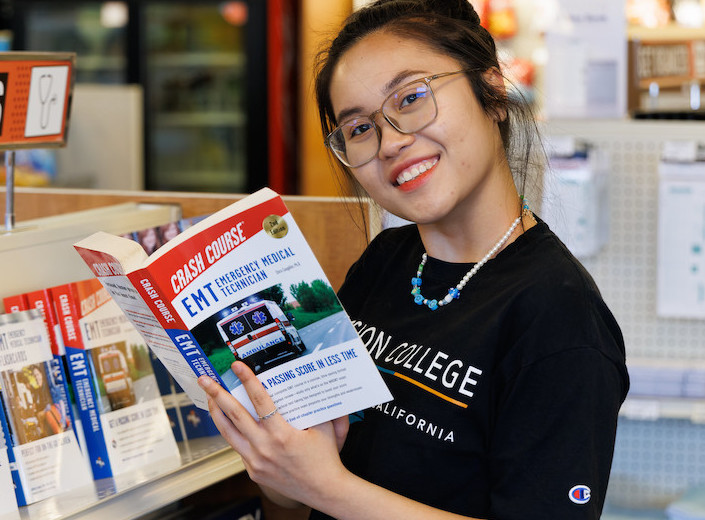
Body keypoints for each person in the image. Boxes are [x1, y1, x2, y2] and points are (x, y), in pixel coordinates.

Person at [197, 1, 630, 519]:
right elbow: (293, 492)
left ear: (492, 92)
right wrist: (275, 458)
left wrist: (326, 485)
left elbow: (325, 488)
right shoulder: (384, 261)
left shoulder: (560, 317)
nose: (391, 142)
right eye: (358, 129)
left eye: (411, 97)